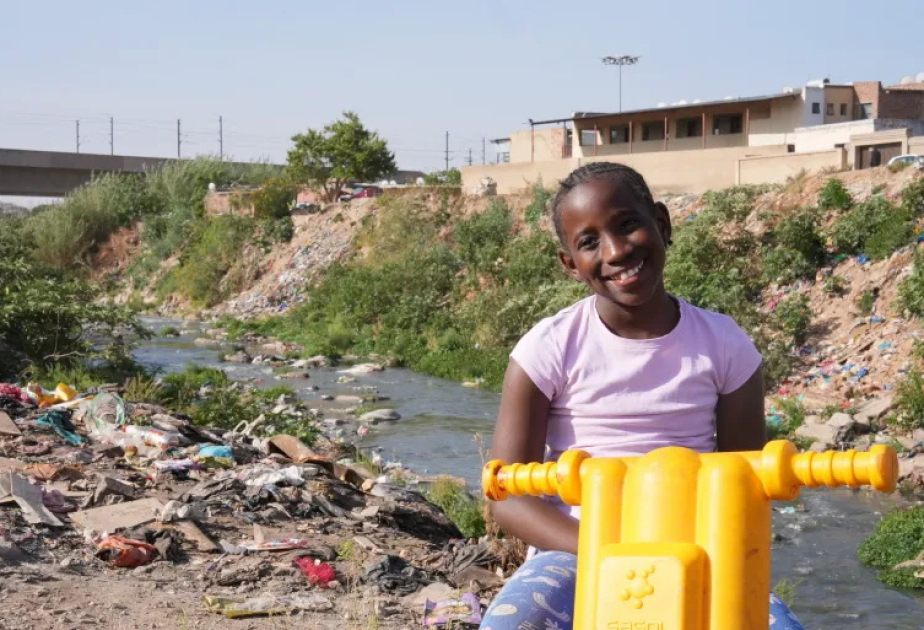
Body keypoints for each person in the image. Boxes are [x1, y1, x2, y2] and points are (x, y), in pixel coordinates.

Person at [479, 162, 806, 630]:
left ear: (663, 224)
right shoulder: (548, 348)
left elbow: (745, 484)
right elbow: (507, 495)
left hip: (699, 548)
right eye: (589, 242)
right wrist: (606, 542)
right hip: (575, 550)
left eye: (628, 224)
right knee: (510, 624)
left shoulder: (724, 343)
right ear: (570, 264)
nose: (615, 251)